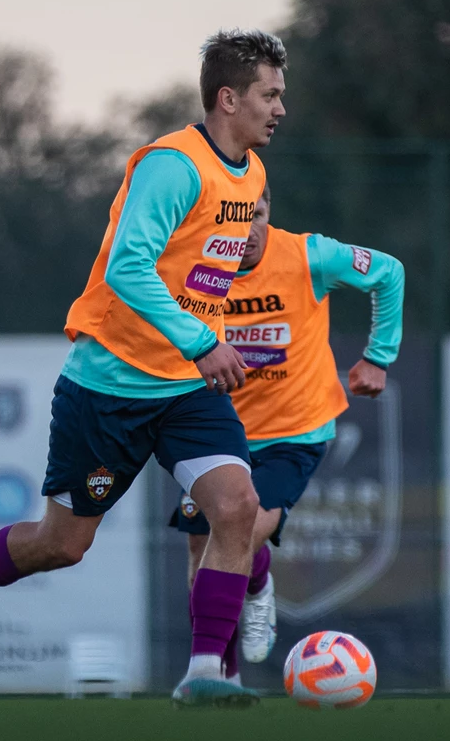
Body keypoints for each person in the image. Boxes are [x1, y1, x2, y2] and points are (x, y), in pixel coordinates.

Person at [0, 29, 287, 708]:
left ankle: (206, 671)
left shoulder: (253, 175)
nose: (280, 108)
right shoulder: (171, 166)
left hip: (185, 389)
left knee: (237, 509)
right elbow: (127, 269)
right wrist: (201, 340)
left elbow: (199, 268)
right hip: (109, 387)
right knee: (62, 545)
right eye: (269, 94)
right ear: (228, 99)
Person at [171, 182, 405, 682]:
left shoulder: (309, 256)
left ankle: (251, 594)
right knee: (201, 548)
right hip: (216, 431)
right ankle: (223, 676)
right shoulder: (190, 269)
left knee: (237, 532)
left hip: (293, 433)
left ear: (269, 211)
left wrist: (378, 356)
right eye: (238, 218)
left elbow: (389, 272)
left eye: (258, 214)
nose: (249, 229)